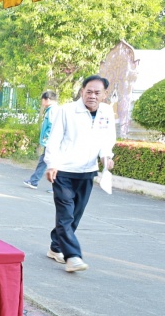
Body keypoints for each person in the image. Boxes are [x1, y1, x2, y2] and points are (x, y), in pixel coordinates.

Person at [44, 75, 116, 273]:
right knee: (65, 215)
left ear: (104, 94)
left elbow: (107, 139)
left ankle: (56, 247)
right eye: (89, 91)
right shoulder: (67, 111)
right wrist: (52, 164)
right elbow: (54, 138)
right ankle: (73, 256)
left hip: (87, 171)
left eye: (97, 92)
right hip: (64, 171)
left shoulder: (106, 112)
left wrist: (106, 157)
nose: (92, 96)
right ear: (82, 91)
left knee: (75, 215)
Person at [23, 91, 58, 189]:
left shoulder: (52, 110)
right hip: (52, 141)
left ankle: (34, 181)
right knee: (45, 161)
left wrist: (46, 137)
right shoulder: (53, 109)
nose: (42, 102)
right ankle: (34, 181)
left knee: (47, 162)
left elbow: (51, 125)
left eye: (42, 100)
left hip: (51, 141)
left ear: (48, 100)